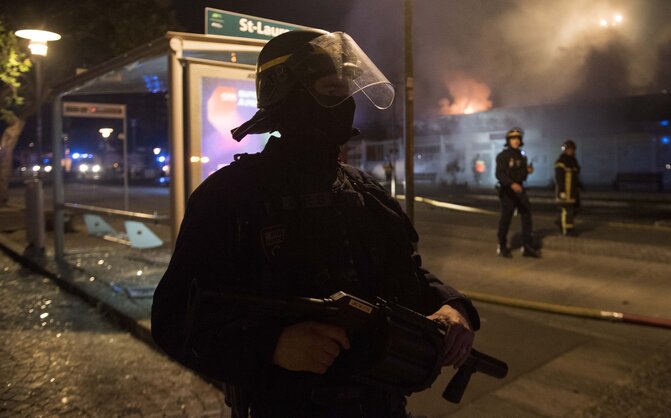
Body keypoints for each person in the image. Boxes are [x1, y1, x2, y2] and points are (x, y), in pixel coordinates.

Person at [151, 29, 478, 418]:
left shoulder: (366, 192)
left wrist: (450, 306)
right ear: (283, 94)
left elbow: (406, 275)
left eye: (347, 92)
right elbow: (175, 319)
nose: (344, 105)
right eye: (330, 90)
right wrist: (272, 346)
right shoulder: (231, 196)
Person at [495, 128, 540, 258]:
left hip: (520, 190)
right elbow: (499, 174)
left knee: (527, 216)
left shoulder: (522, 156)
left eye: (518, 139)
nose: (516, 141)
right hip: (508, 191)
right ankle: (502, 246)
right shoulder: (503, 156)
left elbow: (521, 174)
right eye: (513, 138)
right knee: (506, 219)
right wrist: (511, 184)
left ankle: (526, 246)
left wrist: (528, 171)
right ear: (508, 141)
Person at [554, 139, 581, 236]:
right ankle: (568, 230)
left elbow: (575, 176)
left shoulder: (574, 161)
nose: (571, 151)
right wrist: (561, 191)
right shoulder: (561, 161)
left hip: (573, 191)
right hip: (565, 190)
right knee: (567, 210)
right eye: (569, 149)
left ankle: (559, 221)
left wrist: (580, 186)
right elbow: (559, 177)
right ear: (565, 150)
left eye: (572, 149)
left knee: (575, 209)